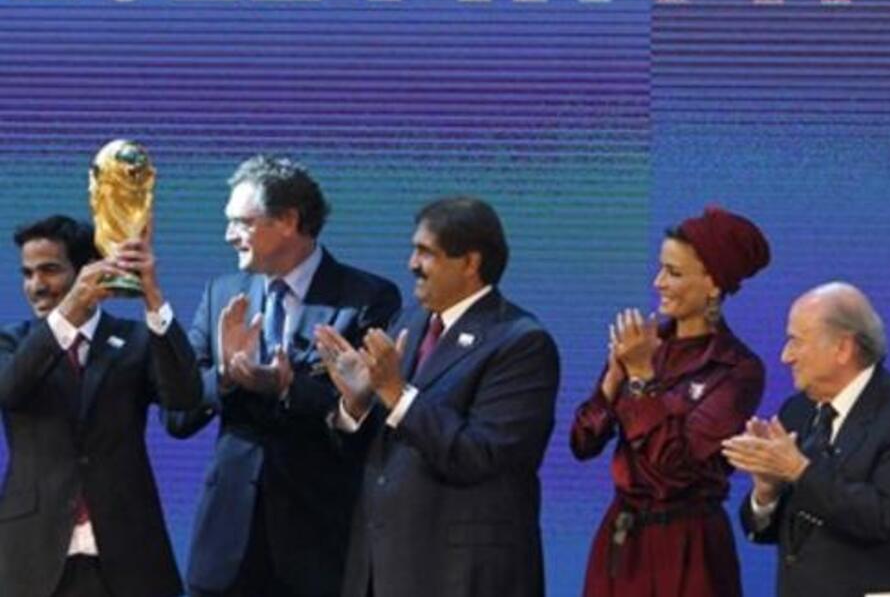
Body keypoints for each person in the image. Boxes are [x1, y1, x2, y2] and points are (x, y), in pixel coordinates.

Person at [165, 156, 402, 597]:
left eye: (242, 222)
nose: (228, 235)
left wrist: (289, 386)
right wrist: (227, 376)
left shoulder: (366, 298)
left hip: (317, 538)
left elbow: (364, 421)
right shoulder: (222, 293)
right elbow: (178, 413)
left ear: (289, 220)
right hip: (227, 542)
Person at [317, 196, 560, 597]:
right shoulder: (408, 321)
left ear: (470, 263)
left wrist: (396, 393)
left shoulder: (521, 343)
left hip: (459, 575)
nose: (412, 263)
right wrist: (357, 403)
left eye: (425, 252)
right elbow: (384, 449)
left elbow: (480, 455)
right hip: (380, 567)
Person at [570, 206, 771, 597]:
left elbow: (675, 468)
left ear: (713, 284)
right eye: (661, 268)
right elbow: (583, 443)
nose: (658, 282)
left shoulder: (737, 369)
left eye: (674, 273)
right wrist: (612, 382)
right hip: (621, 540)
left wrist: (643, 378)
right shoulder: (646, 346)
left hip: (688, 546)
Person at [0, 214, 201, 597]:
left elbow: (185, 399)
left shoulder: (136, 340)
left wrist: (153, 298)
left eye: (50, 270)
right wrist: (69, 311)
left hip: (128, 556)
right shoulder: (12, 344)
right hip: (33, 556)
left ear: (86, 271)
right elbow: (9, 391)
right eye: (27, 274)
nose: (36, 286)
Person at [722, 282, 890, 597]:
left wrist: (799, 470)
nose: (785, 356)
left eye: (796, 342)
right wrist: (767, 490)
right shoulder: (797, 411)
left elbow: (886, 520)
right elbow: (770, 532)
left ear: (842, 348)